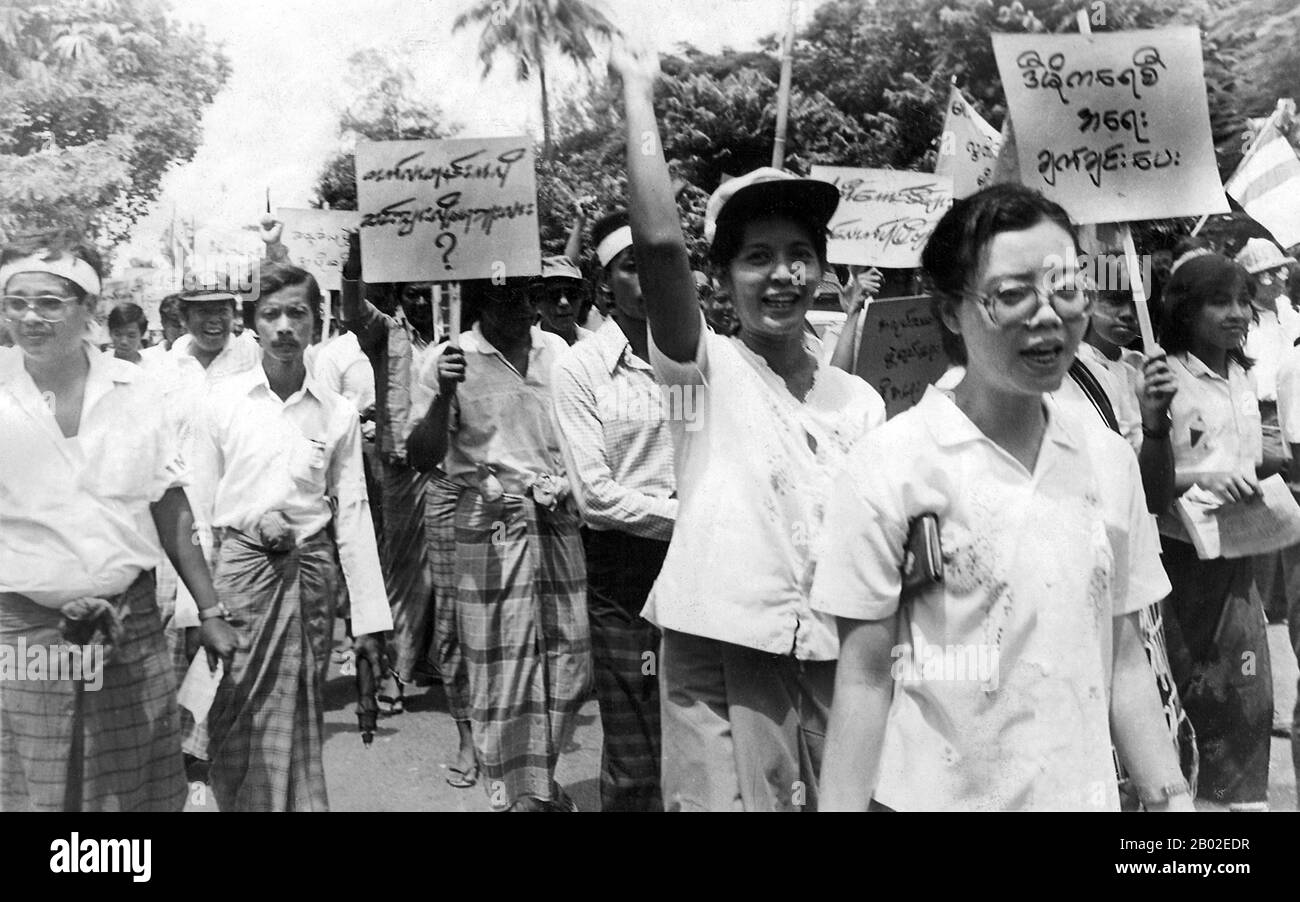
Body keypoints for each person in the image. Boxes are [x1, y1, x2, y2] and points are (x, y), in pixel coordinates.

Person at [813, 184, 1189, 811]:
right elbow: (863, 680)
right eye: (1012, 294)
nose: (1047, 316)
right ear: (951, 311)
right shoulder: (889, 467)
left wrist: (1171, 802)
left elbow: (1125, 661)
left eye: (1066, 288)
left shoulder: (1108, 459)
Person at [611, 41, 886, 811]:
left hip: (835, 654)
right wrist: (637, 94)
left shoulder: (857, 402)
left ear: (825, 270)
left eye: (801, 255)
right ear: (723, 278)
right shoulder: (700, 378)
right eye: (757, 257)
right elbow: (660, 246)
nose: (783, 275)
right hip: (719, 651)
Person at [0, 230, 241, 811]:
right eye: (16, 302)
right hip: (24, 629)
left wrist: (208, 610)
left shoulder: (138, 391)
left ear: (87, 310)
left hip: (126, 625)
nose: (30, 317)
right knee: (38, 785)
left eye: (50, 302)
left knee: (129, 788)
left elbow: (170, 505)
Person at [190, 262, 390, 811]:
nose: (283, 327)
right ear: (253, 323)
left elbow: (352, 516)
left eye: (296, 314)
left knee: (298, 717)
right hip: (237, 580)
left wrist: (368, 621)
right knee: (231, 714)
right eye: (271, 314)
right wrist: (201, 610)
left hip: (309, 583)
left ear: (316, 322)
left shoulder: (337, 412)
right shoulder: (221, 402)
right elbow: (199, 513)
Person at [408, 278, 591, 812]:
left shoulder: (557, 351)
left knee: (570, 660)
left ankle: (536, 780)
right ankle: (517, 794)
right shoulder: (448, 359)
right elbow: (421, 456)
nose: (517, 307)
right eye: (501, 296)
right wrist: (443, 392)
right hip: (488, 522)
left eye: (522, 295)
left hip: (556, 518)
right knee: (499, 665)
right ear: (478, 300)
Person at [553, 206, 677, 811]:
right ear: (605, 284)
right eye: (633, 267)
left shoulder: (695, 359)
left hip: (699, 569)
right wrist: (690, 515)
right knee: (634, 757)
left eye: (660, 265)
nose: (650, 280)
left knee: (695, 737)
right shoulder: (580, 369)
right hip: (625, 578)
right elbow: (596, 498)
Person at [1157, 252, 1273, 811]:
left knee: (1250, 695)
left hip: (1241, 556)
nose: (1237, 313)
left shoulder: (1244, 377)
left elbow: (1247, 459)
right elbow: (1145, 473)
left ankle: (1244, 809)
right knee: (1190, 697)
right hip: (1180, 565)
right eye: (1219, 301)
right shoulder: (1159, 378)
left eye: (1243, 300)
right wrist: (1205, 476)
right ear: (1185, 309)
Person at [341, 236, 437, 689]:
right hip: (403, 468)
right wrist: (354, 264)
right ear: (399, 298)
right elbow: (353, 312)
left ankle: (433, 660)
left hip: (453, 467)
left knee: (450, 568)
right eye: (412, 294)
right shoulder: (387, 334)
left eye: (428, 293)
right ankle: (396, 669)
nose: (421, 301)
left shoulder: (458, 337)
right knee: (405, 570)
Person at [1236, 238, 1300, 624]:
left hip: (1289, 410)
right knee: (1270, 499)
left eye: (1281, 269)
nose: (1279, 276)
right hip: (1261, 417)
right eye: (1268, 272)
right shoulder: (1247, 322)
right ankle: (1266, 597)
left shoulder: (1288, 315)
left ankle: (1279, 595)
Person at [537, 255, 593, 345]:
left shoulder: (595, 343)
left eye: (572, 293)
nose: (564, 302)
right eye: (553, 295)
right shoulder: (528, 347)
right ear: (538, 301)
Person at [139, 293, 186, 366]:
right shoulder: (145, 358)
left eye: (187, 327)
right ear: (164, 323)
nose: (183, 332)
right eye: (176, 326)